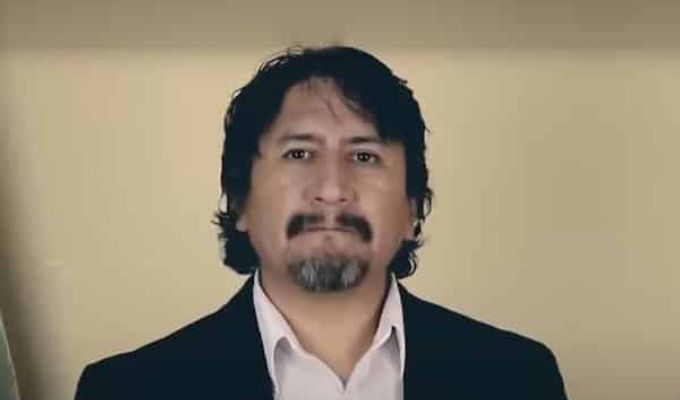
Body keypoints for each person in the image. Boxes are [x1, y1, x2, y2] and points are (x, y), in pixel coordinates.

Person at [75, 46, 568, 400]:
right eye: (299, 153)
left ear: (412, 208)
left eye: (364, 155)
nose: (332, 188)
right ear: (240, 201)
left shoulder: (519, 378)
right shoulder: (125, 389)